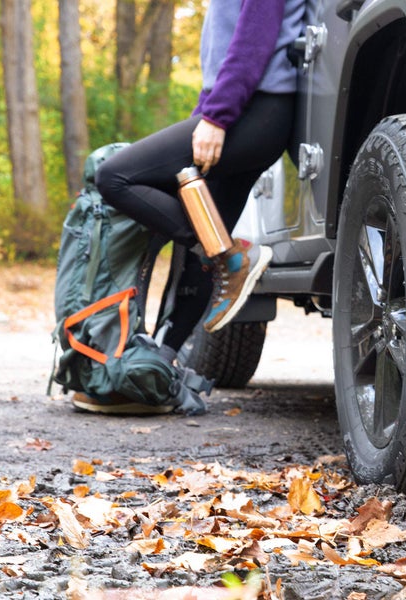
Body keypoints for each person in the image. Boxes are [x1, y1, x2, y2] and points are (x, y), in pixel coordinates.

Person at [71, 0, 305, 414]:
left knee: (117, 177)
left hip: (256, 111)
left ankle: (230, 256)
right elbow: (225, 54)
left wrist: (216, 117)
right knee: (196, 230)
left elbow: (254, 41)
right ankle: (158, 370)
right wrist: (205, 114)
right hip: (250, 110)